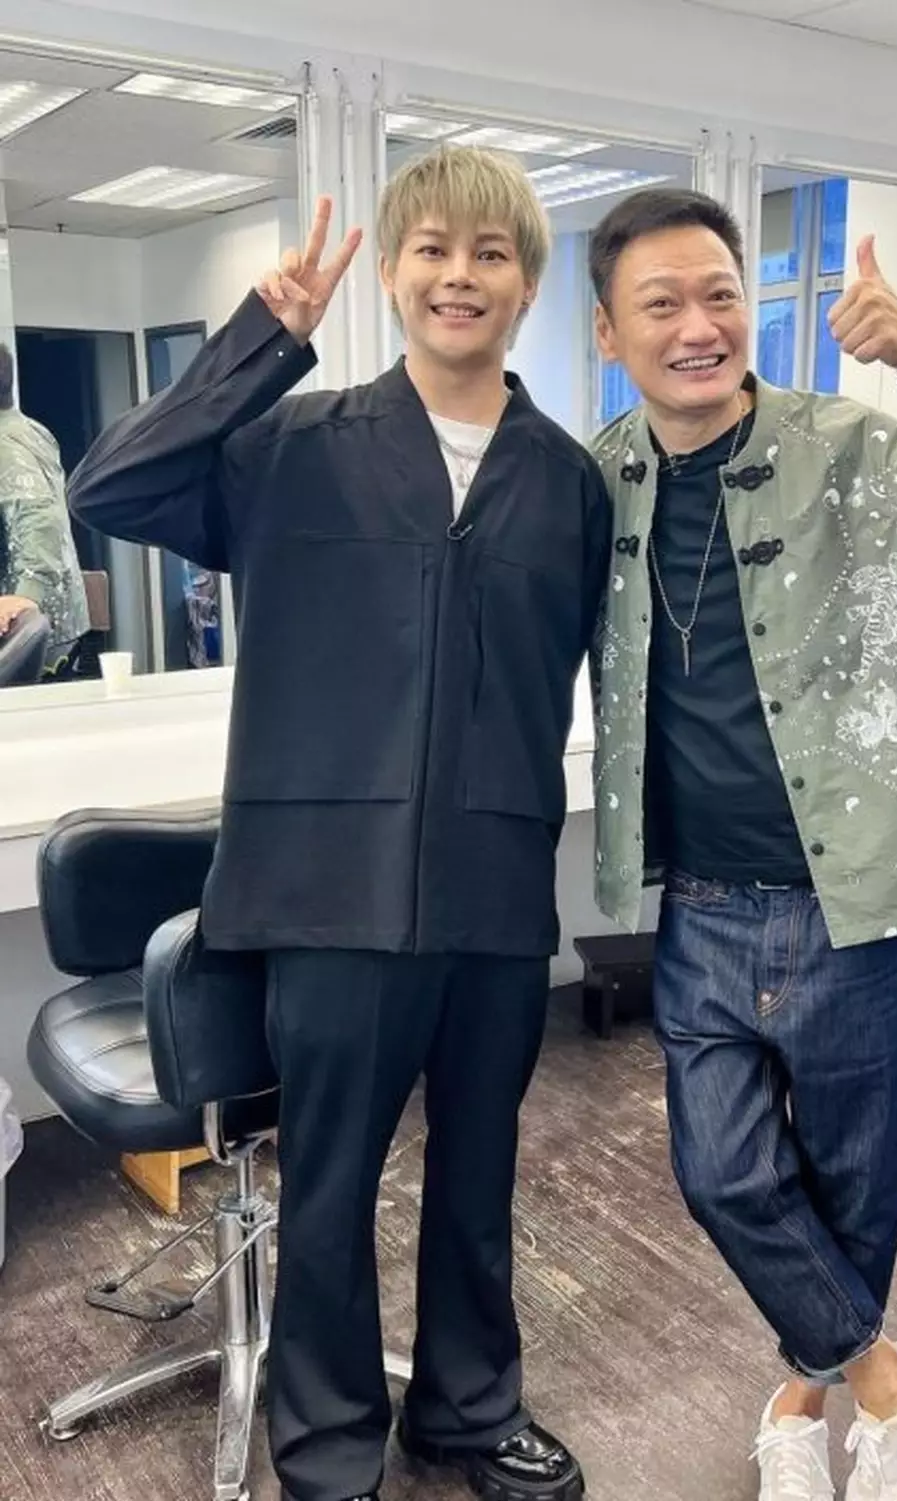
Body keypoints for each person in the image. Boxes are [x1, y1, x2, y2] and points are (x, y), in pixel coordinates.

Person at [69, 147, 609, 1501]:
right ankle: (327, 1447)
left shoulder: (569, 482)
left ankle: (470, 1411)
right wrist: (262, 341)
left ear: (527, 284)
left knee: (480, 1179)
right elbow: (108, 492)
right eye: (432, 248)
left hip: (494, 882)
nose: (459, 275)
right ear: (394, 273)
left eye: (490, 253)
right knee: (327, 1189)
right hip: (328, 888)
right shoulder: (295, 448)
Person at [586, 188, 897, 1501]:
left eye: (720, 296)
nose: (699, 326)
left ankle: (806, 1397)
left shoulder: (849, 445)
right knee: (722, 1174)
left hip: (860, 893)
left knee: (852, 1191)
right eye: (662, 304)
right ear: (609, 332)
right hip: (703, 903)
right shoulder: (595, 479)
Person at [0, 342, 89, 668]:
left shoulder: (5, 444)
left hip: (26, 633)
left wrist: (25, 595)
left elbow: (41, 516)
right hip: (53, 629)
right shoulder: (31, 430)